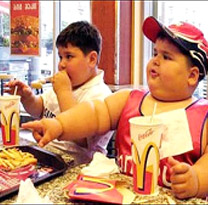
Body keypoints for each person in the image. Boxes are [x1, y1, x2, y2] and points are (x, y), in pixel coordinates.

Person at [22, 16, 208, 199]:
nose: (155, 60)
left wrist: (196, 181)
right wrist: (59, 125)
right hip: (123, 197)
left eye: (166, 56)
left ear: (192, 76)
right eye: (154, 53)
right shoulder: (130, 98)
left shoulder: (203, 116)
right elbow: (95, 113)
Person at [5, 21, 113, 164]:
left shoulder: (100, 95)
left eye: (69, 56)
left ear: (92, 59)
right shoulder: (68, 84)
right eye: (60, 57)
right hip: (48, 156)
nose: (61, 64)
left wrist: (64, 92)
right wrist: (28, 97)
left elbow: (79, 137)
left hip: (78, 168)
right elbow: (39, 108)